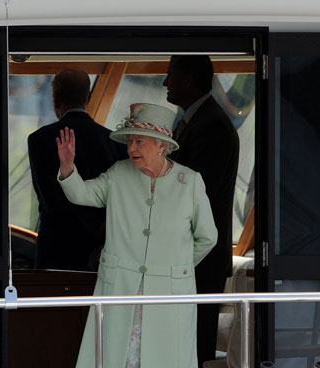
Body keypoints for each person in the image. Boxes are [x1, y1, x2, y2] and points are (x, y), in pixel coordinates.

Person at [57, 103, 218, 368]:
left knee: (165, 357)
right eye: (130, 140)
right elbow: (82, 194)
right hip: (121, 285)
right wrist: (67, 167)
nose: (131, 148)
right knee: (115, 356)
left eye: (139, 141)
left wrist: (176, 267)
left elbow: (207, 237)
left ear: (161, 145)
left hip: (168, 292)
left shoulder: (189, 182)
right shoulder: (119, 173)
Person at [163, 55, 240, 367]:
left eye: (170, 75)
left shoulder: (212, 127)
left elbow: (196, 192)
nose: (164, 82)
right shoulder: (198, 121)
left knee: (195, 342)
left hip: (201, 257)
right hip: (191, 255)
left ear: (187, 80)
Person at [27, 68, 126, 271]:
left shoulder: (40, 140)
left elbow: (50, 202)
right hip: (102, 253)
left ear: (55, 100)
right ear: (88, 98)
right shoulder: (116, 143)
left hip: (56, 249)